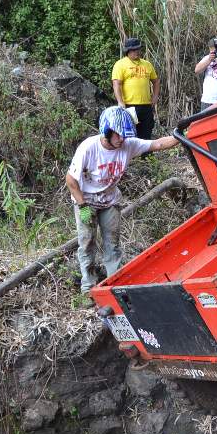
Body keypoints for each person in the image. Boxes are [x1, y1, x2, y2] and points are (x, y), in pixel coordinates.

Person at [66, 106, 178, 302]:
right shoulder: (89, 148)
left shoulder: (127, 144)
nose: (122, 140)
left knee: (113, 243)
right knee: (87, 242)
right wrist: (82, 206)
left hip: (110, 200)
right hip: (87, 201)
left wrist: (181, 136)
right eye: (118, 136)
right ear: (107, 131)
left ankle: (115, 286)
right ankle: (88, 288)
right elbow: (71, 180)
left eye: (125, 137)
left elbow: (158, 144)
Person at [111, 38, 159, 139]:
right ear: (128, 51)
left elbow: (156, 81)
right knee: (130, 134)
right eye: (133, 50)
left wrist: (155, 96)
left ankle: (146, 155)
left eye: (138, 49)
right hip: (129, 106)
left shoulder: (147, 64)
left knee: (146, 133)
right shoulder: (120, 64)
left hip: (146, 105)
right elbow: (116, 84)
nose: (137, 52)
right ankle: (131, 155)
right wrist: (120, 101)